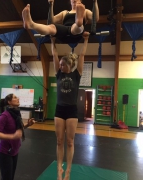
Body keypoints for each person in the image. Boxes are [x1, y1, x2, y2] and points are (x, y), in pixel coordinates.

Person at [50, 31, 89, 180]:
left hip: (72, 110)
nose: (60, 66)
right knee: (59, 140)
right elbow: (54, 55)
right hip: (59, 109)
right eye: (59, 65)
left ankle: (69, 170)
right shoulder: (58, 74)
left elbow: (82, 55)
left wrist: (85, 40)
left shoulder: (76, 74)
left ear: (69, 65)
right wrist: (52, 41)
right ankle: (59, 168)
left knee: (70, 141)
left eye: (62, 64)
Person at [0, 94, 35, 180]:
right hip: (5, 152)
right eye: (15, 97)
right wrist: (13, 136)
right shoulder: (4, 116)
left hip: (14, 150)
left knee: (10, 177)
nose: (18, 98)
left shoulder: (16, 114)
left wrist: (28, 124)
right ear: (9, 102)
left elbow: (18, 129)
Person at [22, 0, 99, 41]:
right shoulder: (64, 12)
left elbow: (96, 19)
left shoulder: (85, 11)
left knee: (76, 27)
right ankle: (31, 24)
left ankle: (78, 21)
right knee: (51, 27)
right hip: (64, 31)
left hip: (76, 34)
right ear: (70, 1)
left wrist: (95, 1)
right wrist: (51, 5)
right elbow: (51, 21)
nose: (74, 0)